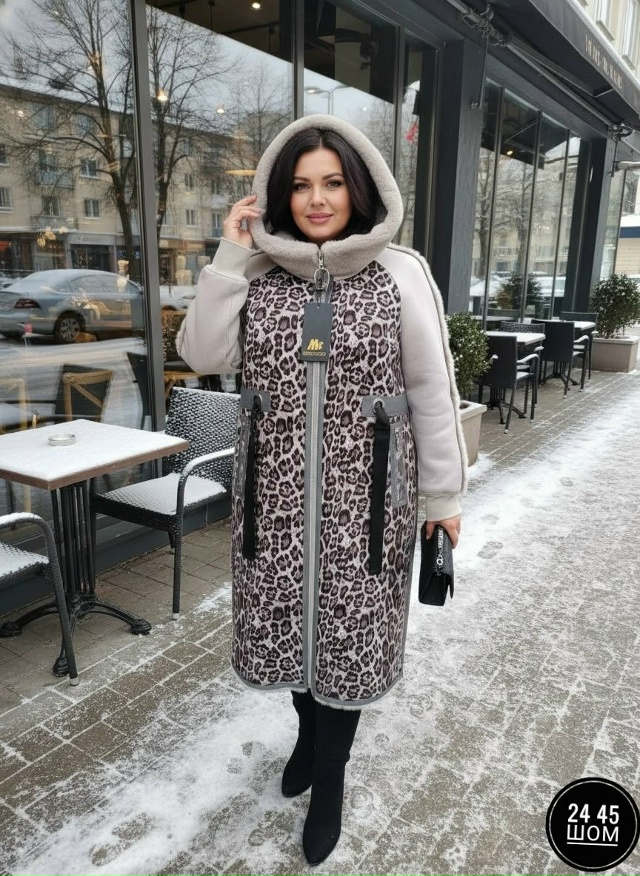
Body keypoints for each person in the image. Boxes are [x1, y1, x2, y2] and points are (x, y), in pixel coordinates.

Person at [177, 114, 466, 865]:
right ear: (281, 193)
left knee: (349, 643)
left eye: (332, 183)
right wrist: (229, 255)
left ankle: (329, 777)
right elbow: (202, 353)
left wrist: (442, 500)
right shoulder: (257, 273)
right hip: (271, 506)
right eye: (301, 185)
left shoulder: (401, 272)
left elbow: (432, 394)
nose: (316, 199)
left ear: (359, 189)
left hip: (368, 507)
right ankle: (307, 732)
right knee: (289, 635)